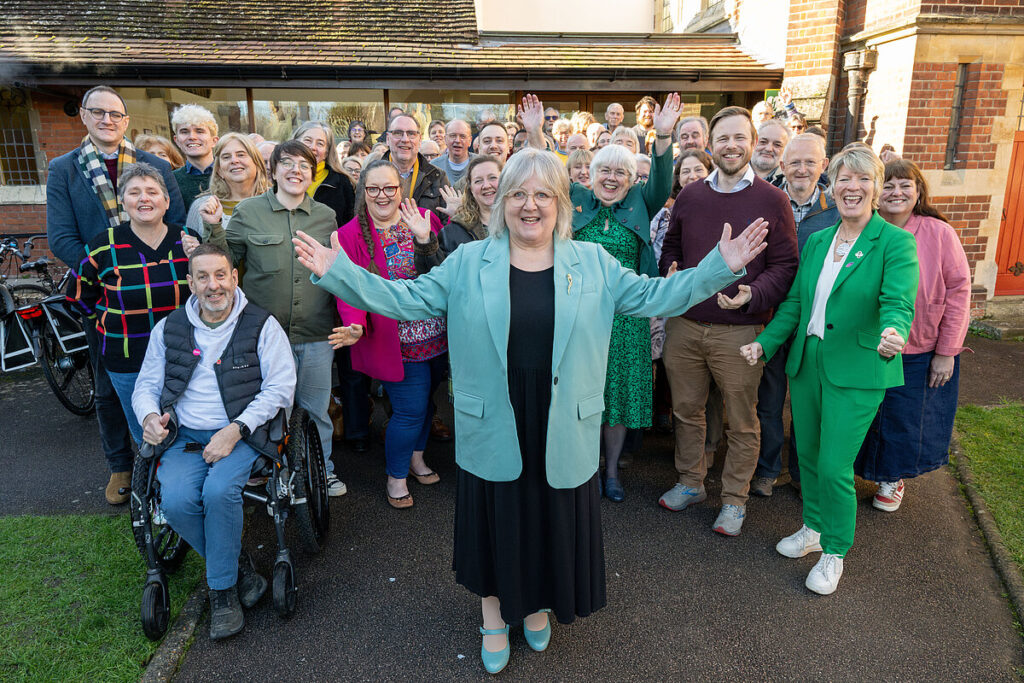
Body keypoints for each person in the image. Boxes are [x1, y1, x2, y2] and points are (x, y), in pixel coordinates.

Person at [296, 146, 767, 675]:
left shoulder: (592, 261)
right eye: (517, 193)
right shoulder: (470, 261)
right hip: (494, 414)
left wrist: (717, 269)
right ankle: (493, 615)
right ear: (501, 201)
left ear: (561, 203)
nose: (530, 205)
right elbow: (405, 299)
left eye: (543, 193)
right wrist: (339, 272)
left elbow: (658, 296)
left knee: (549, 519)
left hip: (562, 414)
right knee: (498, 520)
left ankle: (539, 604)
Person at [740, 146, 919, 595]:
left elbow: (897, 302)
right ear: (832, 186)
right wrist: (764, 344)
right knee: (809, 456)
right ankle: (814, 529)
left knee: (836, 464)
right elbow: (797, 305)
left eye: (861, 180)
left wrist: (895, 331)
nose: (851, 187)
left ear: (876, 189)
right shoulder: (819, 239)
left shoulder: (896, 242)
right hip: (808, 361)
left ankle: (835, 550)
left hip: (859, 367)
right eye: (843, 179)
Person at [522, 93, 682, 503]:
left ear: (632, 180)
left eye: (621, 173)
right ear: (589, 175)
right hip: (577, 314)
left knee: (617, 395)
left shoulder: (640, 204)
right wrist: (536, 133)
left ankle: (610, 472)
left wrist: (662, 136)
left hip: (626, 317)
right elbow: (543, 175)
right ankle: (583, 466)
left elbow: (663, 181)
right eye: (604, 171)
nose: (611, 178)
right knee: (579, 392)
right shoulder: (574, 201)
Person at [133, 242, 295, 641]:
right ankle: (240, 570)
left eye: (220, 275)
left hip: (242, 432)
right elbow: (146, 385)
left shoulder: (261, 324)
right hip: (186, 435)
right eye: (202, 277)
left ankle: (222, 594)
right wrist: (149, 417)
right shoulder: (169, 328)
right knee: (175, 501)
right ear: (190, 283)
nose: (213, 285)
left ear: (234, 278)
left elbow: (280, 387)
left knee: (220, 492)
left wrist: (236, 428)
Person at [658, 105, 799, 536]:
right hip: (685, 325)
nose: (731, 146)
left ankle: (734, 500)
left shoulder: (772, 200)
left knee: (741, 418)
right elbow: (672, 246)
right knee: (686, 411)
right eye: (723, 138)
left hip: (740, 329)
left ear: (752, 142)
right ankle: (690, 481)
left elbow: (785, 265)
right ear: (710, 145)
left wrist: (753, 295)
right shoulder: (692, 194)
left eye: (740, 137)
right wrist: (671, 269)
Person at [46, 85, 186, 505]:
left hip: (163, 292)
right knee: (110, 385)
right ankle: (121, 463)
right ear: (84, 117)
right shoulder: (64, 169)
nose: (107, 120)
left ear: (126, 121)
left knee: (175, 380)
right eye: (98, 112)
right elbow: (60, 237)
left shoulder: (155, 165)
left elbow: (177, 225)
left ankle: (177, 459)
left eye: (115, 114)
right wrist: (108, 270)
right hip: (106, 296)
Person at [225, 140, 346, 497]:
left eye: (304, 166)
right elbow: (225, 262)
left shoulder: (326, 217)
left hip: (316, 332)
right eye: (288, 164)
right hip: (265, 337)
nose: (296, 171)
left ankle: (322, 471)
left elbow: (338, 270)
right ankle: (273, 473)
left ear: (312, 173)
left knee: (316, 409)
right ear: (273, 171)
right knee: (271, 410)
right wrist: (212, 231)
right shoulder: (247, 213)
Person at [854, 159, 971, 512]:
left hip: (921, 347)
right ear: (875, 191)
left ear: (918, 192)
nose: (896, 192)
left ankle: (893, 478)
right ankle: (856, 472)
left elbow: (959, 290)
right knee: (867, 415)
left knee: (907, 419)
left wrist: (947, 351)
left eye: (905, 185)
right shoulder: (863, 229)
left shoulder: (938, 233)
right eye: (888, 185)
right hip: (867, 344)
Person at [329, 159, 446, 508]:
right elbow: (346, 288)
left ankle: (417, 457)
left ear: (401, 189)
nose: (382, 195)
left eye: (389, 188)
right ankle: (396, 476)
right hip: (394, 341)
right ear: (363, 192)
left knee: (426, 404)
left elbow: (445, 266)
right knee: (409, 409)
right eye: (373, 188)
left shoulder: (425, 219)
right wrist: (355, 324)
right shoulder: (348, 234)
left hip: (437, 337)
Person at [70, 163, 196, 445]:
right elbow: (79, 296)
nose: (144, 199)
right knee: (149, 436)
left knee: (189, 431)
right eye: (134, 193)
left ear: (166, 201)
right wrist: (109, 322)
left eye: (152, 192)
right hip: (128, 358)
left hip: (184, 355)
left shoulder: (187, 240)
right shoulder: (103, 246)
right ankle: (151, 485)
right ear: (122, 202)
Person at [750, 132, 837, 498]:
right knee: (768, 402)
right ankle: (768, 468)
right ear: (782, 165)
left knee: (807, 404)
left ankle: (802, 473)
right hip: (772, 318)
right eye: (794, 162)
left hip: (815, 323)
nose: (801, 169)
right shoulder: (766, 202)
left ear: (824, 166)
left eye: (810, 162)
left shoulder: (836, 210)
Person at [650, 150, 713, 435]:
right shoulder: (668, 211)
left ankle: (710, 443)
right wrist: (669, 273)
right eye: (685, 171)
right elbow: (664, 249)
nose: (692, 175)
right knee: (676, 372)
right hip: (677, 298)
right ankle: (671, 425)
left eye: (698, 169)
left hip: (715, 300)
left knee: (709, 386)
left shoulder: (719, 204)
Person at [415, 155, 502, 272]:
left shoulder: (518, 224)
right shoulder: (453, 232)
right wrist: (425, 242)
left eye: (492, 178)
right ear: (470, 188)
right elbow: (438, 275)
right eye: (478, 181)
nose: (486, 185)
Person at [185, 132, 270, 242]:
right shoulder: (201, 207)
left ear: (257, 163)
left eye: (241, 154)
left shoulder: (275, 202)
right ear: (219, 170)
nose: (234, 161)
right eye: (226, 157)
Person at [293, 121, 356, 227]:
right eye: (307, 140)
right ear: (295, 143)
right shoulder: (284, 178)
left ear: (326, 152)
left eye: (320, 143)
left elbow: (349, 225)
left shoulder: (342, 183)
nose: (313, 147)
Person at [383, 114, 448, 212]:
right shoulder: (370, 175)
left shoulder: (437, 176)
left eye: (411, 134)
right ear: (388, 139)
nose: (405, 139)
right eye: (398, 133)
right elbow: (361, 218)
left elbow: (446, 222)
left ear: (420, 139)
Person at [171, 104, 219, 210]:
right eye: (185, 132)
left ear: (214, 140)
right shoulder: (170, 180)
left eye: (199, 131)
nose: (192, 137)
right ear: (177, 140)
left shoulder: (229, 174)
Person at [432, 119, 476, 185]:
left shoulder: (480, 163)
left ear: (470, 140)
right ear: (445, 139)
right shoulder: (434, 167)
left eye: (462, 136)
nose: (457, 140)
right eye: (453, 136)